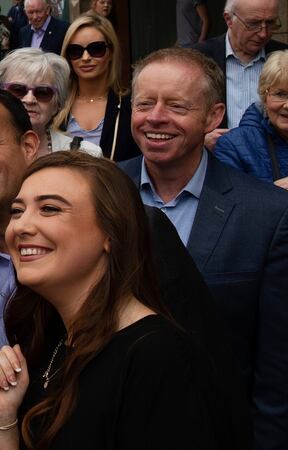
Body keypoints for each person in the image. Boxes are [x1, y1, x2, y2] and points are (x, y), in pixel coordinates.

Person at [0, 151, 236, 450]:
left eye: (49, 209)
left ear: (110, 232)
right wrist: (0, 423)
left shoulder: (158, 356)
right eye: (17, 211)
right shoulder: (53, 341)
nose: (20, 226)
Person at [119, 47, 288, 450]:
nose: (155, 117)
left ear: (214, 117)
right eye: (145, 103)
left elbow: (277, 370)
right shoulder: (98, 194)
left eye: (176, 105)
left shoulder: (267, 214)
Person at [53, 13, 139, 161]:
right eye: (76, 51)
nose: (85, 58)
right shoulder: (55, 106)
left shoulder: (129, 107)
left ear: (111, 52)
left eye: (96, 49)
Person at [193, 0, 287, 133]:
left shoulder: (284, 57)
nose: (263, 34)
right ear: (229, 19)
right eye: (253, 24)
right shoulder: (197, 58)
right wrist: (200, 139)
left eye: (270, 23)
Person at [0, 48, 102, 158]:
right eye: (18, 90)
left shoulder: (85, 155)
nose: (29, 100)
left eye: (43, 92)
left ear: (57, 104)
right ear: (0, 97)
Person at [215, 50, 288, 188]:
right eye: (280, 94)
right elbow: (228, 205)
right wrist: (275, 194)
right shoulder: (235, 146)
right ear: (264, 97)